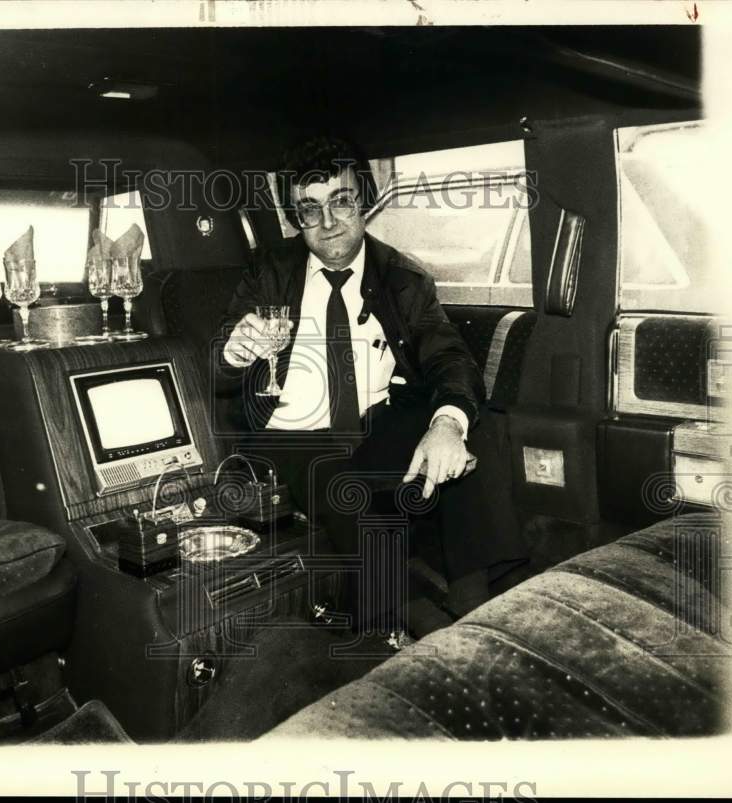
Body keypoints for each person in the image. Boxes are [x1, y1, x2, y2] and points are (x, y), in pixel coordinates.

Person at [213, 136, 526, 638]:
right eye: (309, 210)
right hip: (288, 434)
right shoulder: (267, 270)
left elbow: (449, 357)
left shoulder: (403, 278)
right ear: (295, 218)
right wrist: (234, 352)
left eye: (341, 201)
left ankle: (479, 611)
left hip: (370, 423)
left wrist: (447, 424)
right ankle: (416, 633)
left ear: (367, 201)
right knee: (345, 490)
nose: (329, 222)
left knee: (472, 429)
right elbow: (222, 366)